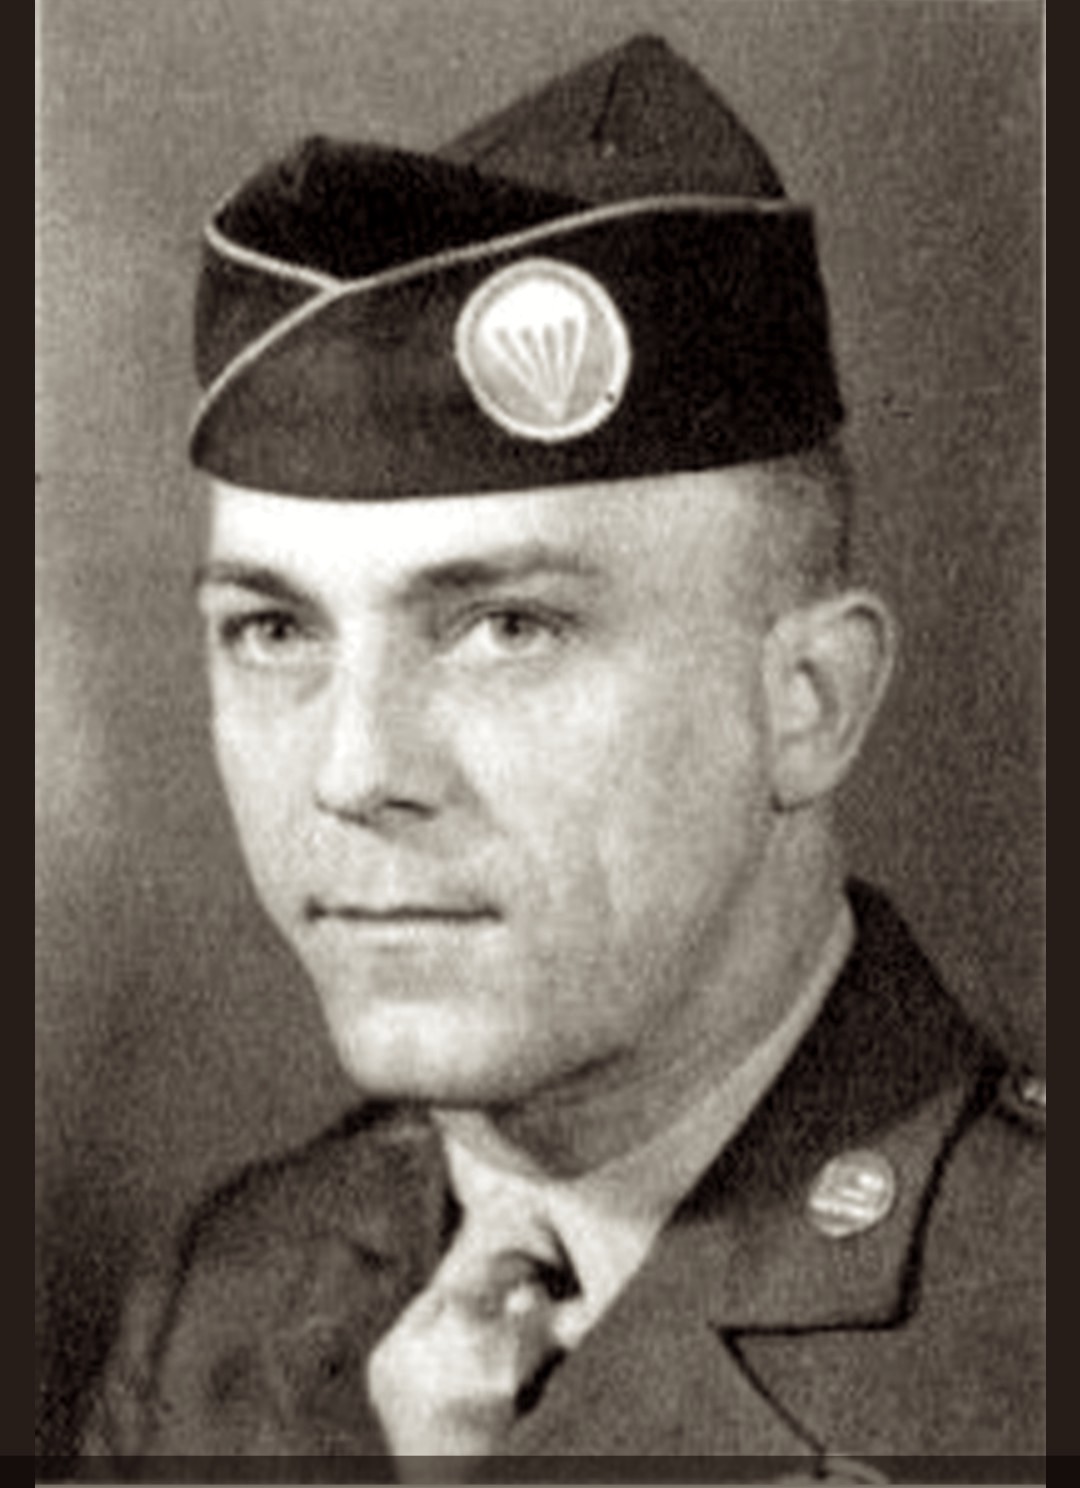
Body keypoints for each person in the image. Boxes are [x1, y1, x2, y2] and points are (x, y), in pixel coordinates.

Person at [76, 34, 1044, 1483]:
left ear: (810, 704)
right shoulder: (231, 1294)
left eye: (507, 628)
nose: (354, 772)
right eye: (275, 629)